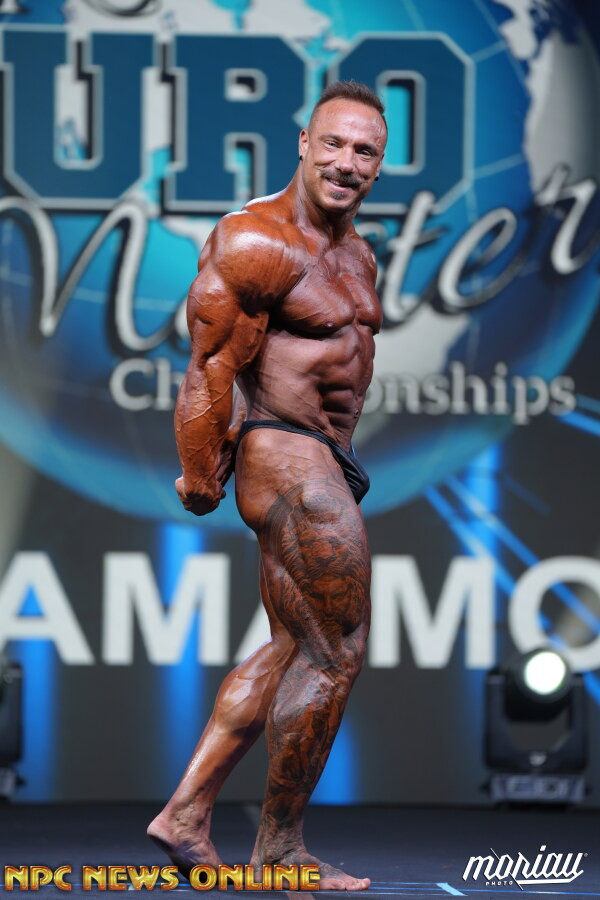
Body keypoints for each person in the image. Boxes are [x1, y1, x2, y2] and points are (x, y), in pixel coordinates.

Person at [148, 80, 387, 891]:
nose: (347, 162)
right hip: (286, 456)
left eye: (364, 151)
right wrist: (199, 469)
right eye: (334, 143)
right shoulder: (256, 240)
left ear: (378, 166)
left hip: (327, 457)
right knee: (336, 651)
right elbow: (208, 367)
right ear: (304, 144)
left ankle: (185, 814)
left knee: (294, 647)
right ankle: (279, 853)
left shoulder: (358, 254)